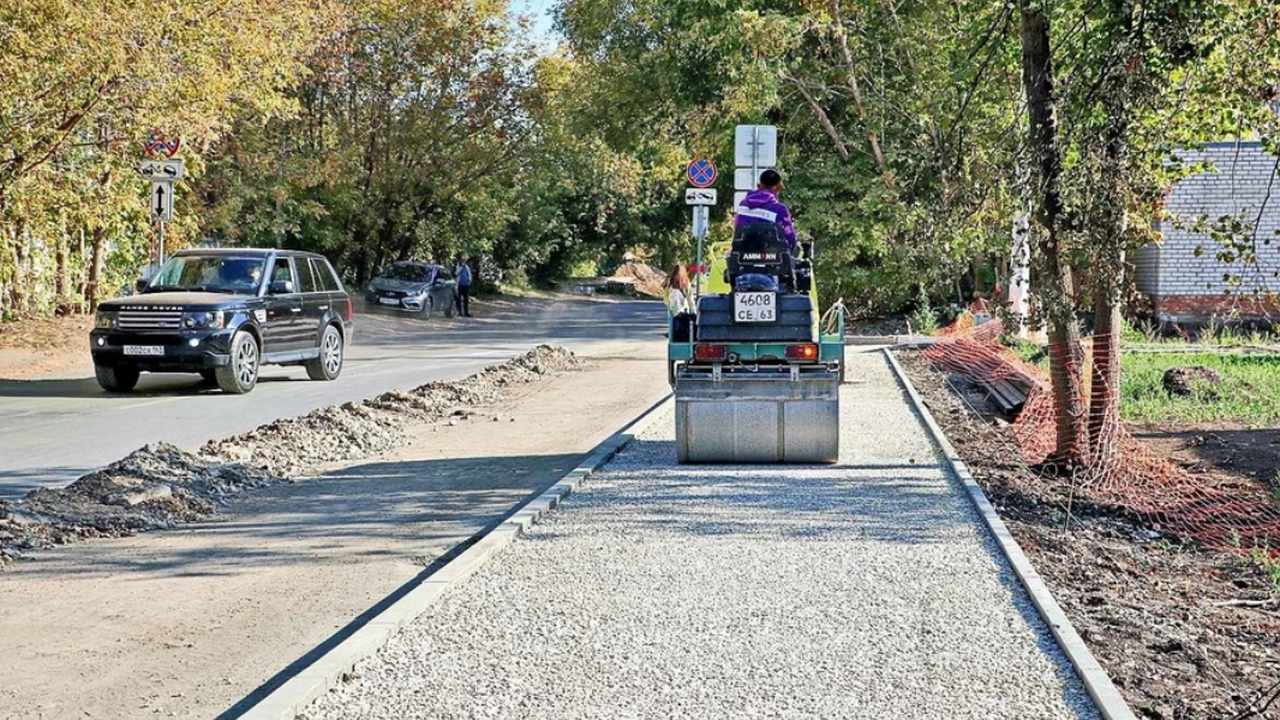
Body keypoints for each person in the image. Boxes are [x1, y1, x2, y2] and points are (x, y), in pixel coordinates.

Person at [734, 168, 797, 250]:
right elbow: (789, 235)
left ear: (759, 186)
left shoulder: (743, 204)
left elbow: (737, 227)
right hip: (772, 258)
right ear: (778, 187)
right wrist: (792, 246)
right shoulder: (779, 209)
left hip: (742, 256)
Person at [664, 265, 694, 342]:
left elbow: (665, 298)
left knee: (675, 332)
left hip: (673, 313)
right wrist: (694, 313)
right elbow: (690, 299)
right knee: (683, 331)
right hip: (682, 313)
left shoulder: (669, 283)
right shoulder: (686, 282)